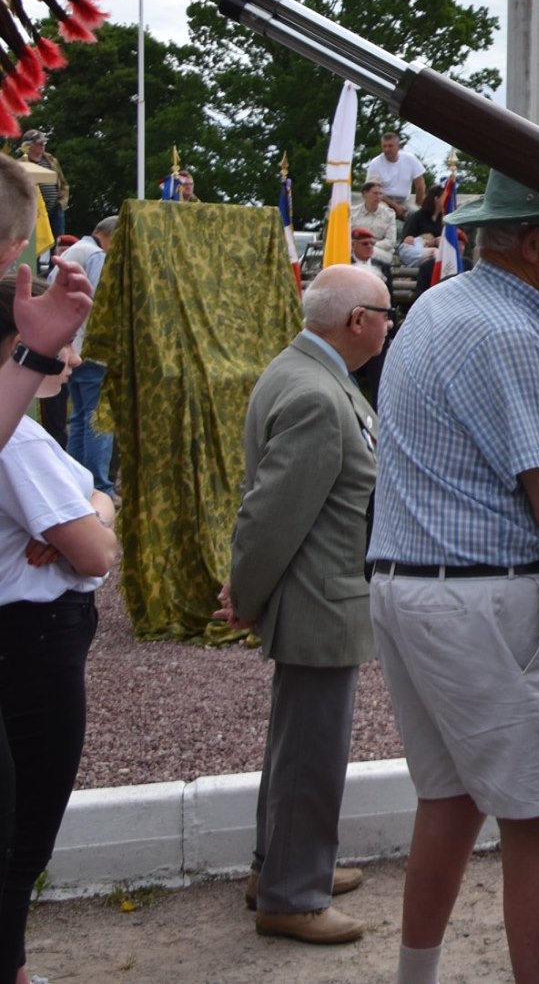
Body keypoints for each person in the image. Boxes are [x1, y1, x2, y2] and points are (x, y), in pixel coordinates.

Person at [368, 171, 539, 984]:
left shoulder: (439, 306)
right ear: (532, 243)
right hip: (491, 595)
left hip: (409, 583)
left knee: (450, 797)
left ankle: (416, 976)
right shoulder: (510, 330)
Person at [216, 266, 390, 945]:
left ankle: (280, 868)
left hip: (320, 595)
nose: (389, 325)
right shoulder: (318, 393)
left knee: (298, 745)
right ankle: (292, 895)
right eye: (386, 313)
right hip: (320, 598)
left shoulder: (309, 373)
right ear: (357, 321)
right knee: (310, 753)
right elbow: (271, 515)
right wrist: (246, 594)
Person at [0, 277, 118, 983]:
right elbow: (97, 553)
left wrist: (92, 514)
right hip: (33, 635)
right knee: (24, 827)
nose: (70, 360)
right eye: (59, 344)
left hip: (35, 630)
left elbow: (98, 501)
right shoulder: (17, 441)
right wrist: (93, 523)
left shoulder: (21, 434)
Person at [58, 217, 117, 495]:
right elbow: (99, 305)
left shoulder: (74, 251)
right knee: (98, 419)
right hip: (91, 350)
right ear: (111, 236)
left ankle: (74, 481)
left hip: (72, 345)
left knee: (81, 417)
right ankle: (99, 487)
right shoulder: (96, 255)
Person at [14, 132, 67, 242]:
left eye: (44, 142)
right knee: (35, 243)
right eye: (39, 143)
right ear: (29, 145)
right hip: (34, 211)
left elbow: (63, 183)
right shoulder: (20, 164)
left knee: (58, 241)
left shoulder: (52, 161)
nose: (43, 145)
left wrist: (62, 202)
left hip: (55, 209)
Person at [362, 131, 428, 216]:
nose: (387, 149)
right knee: (383, 211)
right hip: (382, 200)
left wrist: (418, 205)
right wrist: (396, 206)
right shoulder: (375, 163)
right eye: (384, 146)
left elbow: (420, 185)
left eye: (390, 146)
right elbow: (373, 190)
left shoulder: (410, 159)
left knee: (416, 215)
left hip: (404, 201)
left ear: (398, 146)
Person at [352, 182, 400, 267]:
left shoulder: (389, 214)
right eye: (375, 193)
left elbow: (391, 241)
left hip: (380, 250)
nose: (378, 197)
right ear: (365, 194)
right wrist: (358, 246)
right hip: (355, 247)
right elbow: (345, 236)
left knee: (369, 252)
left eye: (380, 194)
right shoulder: (352, 212)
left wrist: (370, 245)